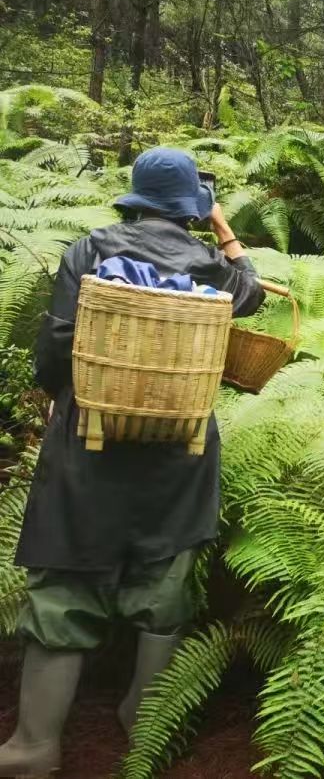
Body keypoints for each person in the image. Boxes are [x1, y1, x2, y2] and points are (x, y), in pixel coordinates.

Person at [0, 147, 265, 777]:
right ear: (190, 208)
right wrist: (223, 228)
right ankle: (144, 722)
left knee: (63, 587)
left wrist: (59, 394)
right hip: (180, 451)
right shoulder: (212, 268)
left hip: (88, 446)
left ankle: (34, 745)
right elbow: (252, 294)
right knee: (162, 586)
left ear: (137, 195)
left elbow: (57, 345)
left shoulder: (87, 252)